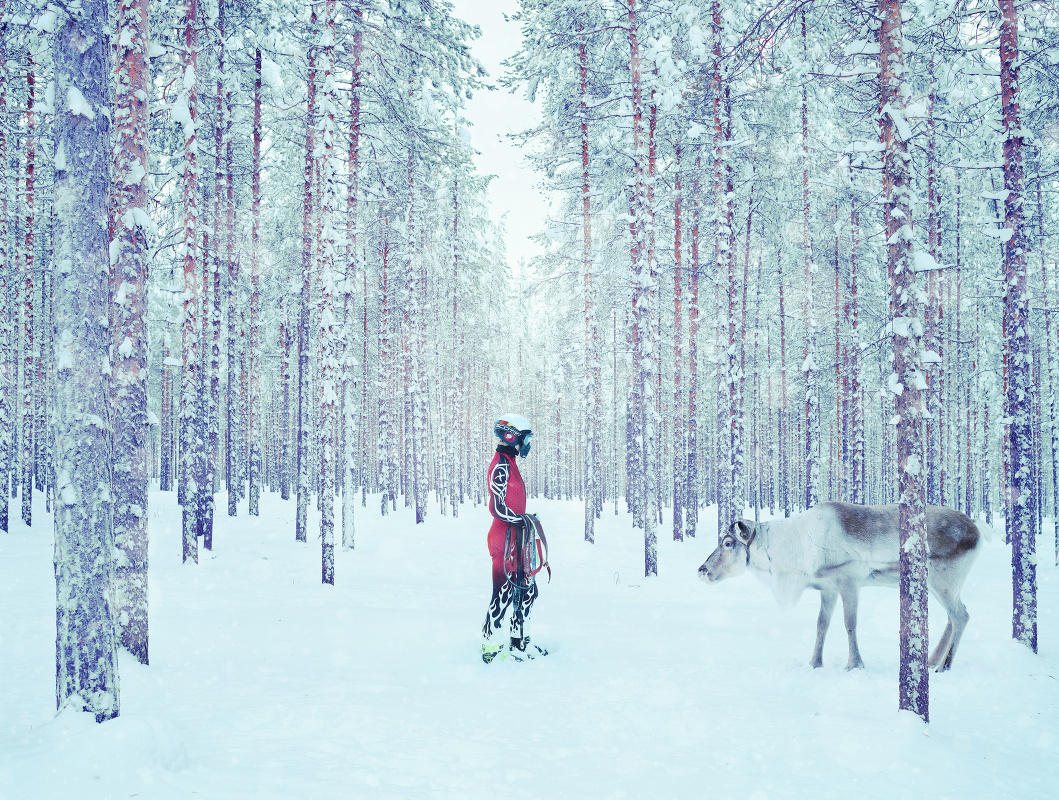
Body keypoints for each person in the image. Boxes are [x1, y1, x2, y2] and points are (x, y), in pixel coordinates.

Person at [481, 413, 548, 663]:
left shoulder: (510, 463)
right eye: (525, 438)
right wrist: (521, 519)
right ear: (511, 437)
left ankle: (520, 644)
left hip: (518, 538)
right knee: (503, 593)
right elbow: (496, 508)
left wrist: (525, 518)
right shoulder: (500, 464)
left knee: (528, 591)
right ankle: (491, 648)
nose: (528, 443)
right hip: (503, 539)